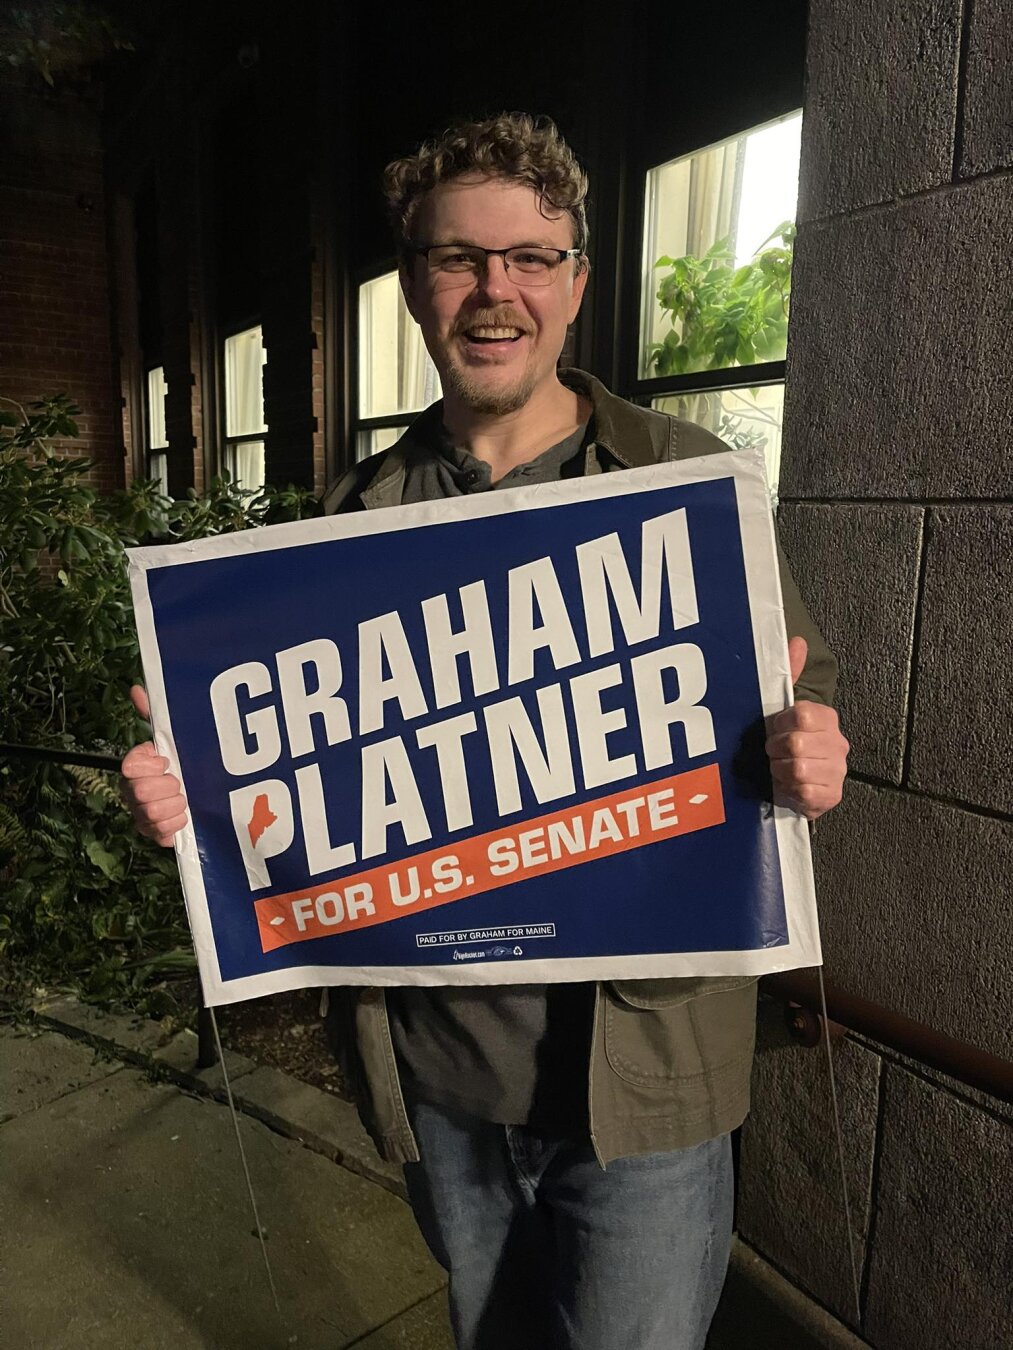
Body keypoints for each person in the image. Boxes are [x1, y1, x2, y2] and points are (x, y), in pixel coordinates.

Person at [121, 113, 849, 1350]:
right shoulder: (347, 520)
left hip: (643, 1089)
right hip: (439, 1090)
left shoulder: (680, 476)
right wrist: (194, 804)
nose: (491, 291)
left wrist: (808, 753)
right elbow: (284, 780)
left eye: (526, 258)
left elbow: (798, 686)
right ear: (413, 284)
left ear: (574, 281)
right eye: (457, 258)